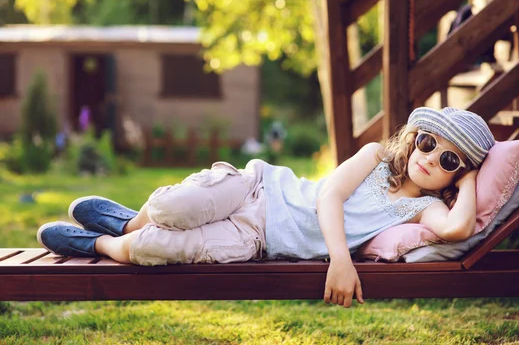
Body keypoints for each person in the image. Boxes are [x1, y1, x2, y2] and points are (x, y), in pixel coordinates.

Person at [37, 107, 495, 307]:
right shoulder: (377, 155)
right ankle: (129, 219)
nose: (430, 158)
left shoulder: (421, 210)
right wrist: (340, 259)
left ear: (457, 174)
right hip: (258, 190)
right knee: (171, 209)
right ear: (416, 137)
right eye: (429, 143)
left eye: (449, 160)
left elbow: (458, 227)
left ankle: (99, 240)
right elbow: (329, 196)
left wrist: (472, 176)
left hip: (257, 239)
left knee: (157, 249)